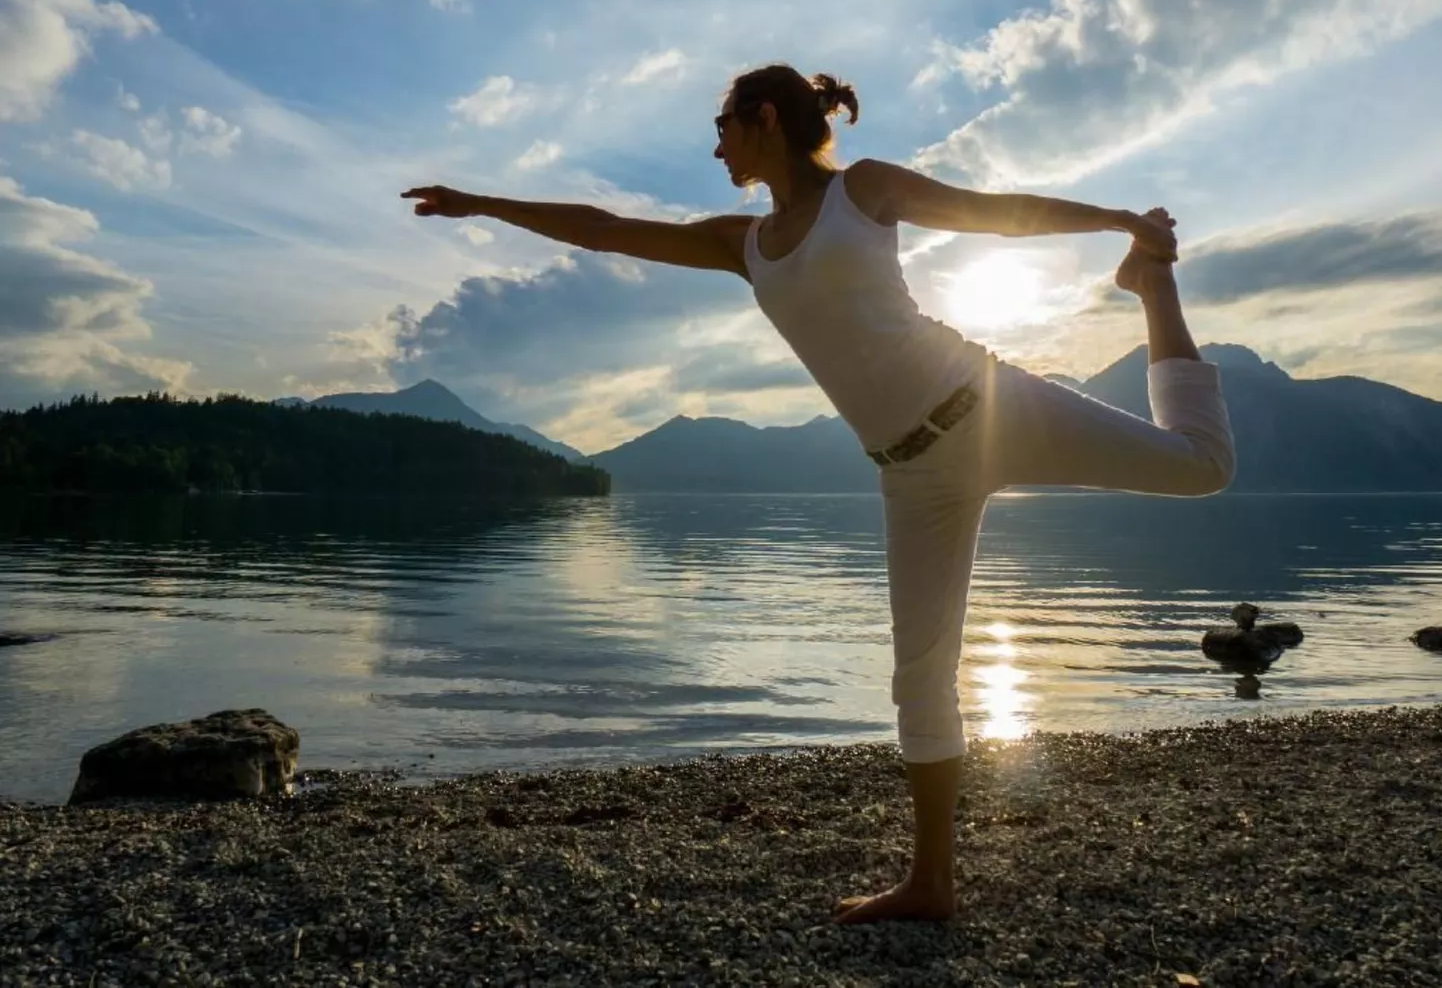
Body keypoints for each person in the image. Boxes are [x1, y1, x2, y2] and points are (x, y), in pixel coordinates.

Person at [402, 63, 1235, 925]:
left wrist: (1122, 223)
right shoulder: (744, 243)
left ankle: (1153, 287)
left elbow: (993, 211)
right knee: (919, 678)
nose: (717, 148)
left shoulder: (862, 191)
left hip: (986, 404)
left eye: (722, 127)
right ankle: (932, 883)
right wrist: (483, 204)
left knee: (1203, 466)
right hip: (909, 471)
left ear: (763, 117)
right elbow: (607, 229)